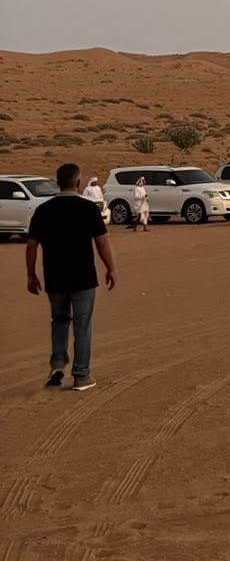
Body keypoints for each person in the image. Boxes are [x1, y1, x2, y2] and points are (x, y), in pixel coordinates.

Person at [25, 162, 116, 391]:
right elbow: (102, 242)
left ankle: (57, 364)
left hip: (54, 277)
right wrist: (111, 268)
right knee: (82, 326)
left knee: (59, 320)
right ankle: (81, 375)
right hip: (83, 277)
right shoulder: (87, 209)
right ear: (78, 183)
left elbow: (31, 246)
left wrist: (31, 275)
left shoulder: (43, 210)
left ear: (57, 183)